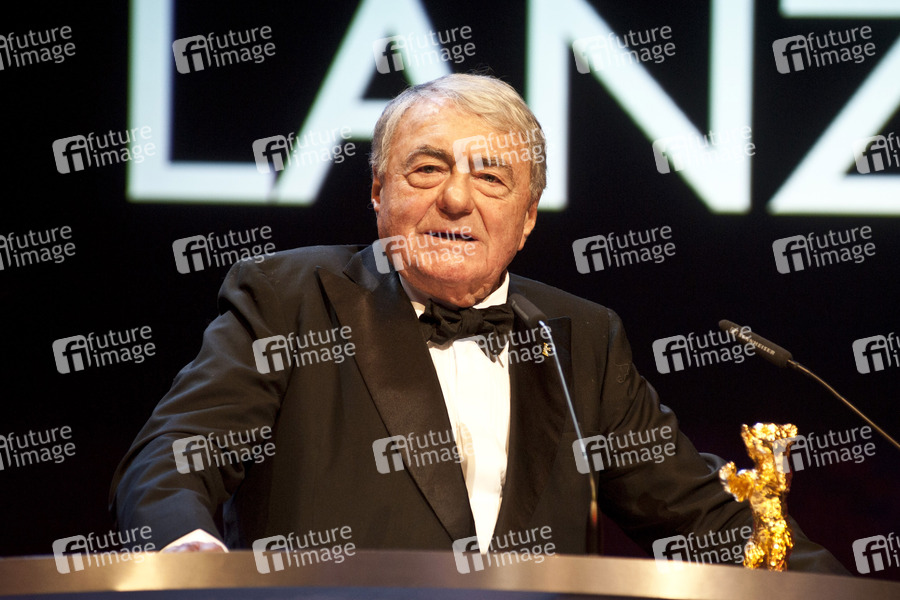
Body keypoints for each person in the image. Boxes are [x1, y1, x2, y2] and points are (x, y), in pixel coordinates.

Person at [110, 73, 846, 572]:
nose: (457, 200)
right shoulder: (290, 296)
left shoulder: (582, 336)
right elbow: (175, 453)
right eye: (426, 169)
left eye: (491, 177)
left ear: (527, 219)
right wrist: (185, 548)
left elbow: (705, 517)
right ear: (378, 193)